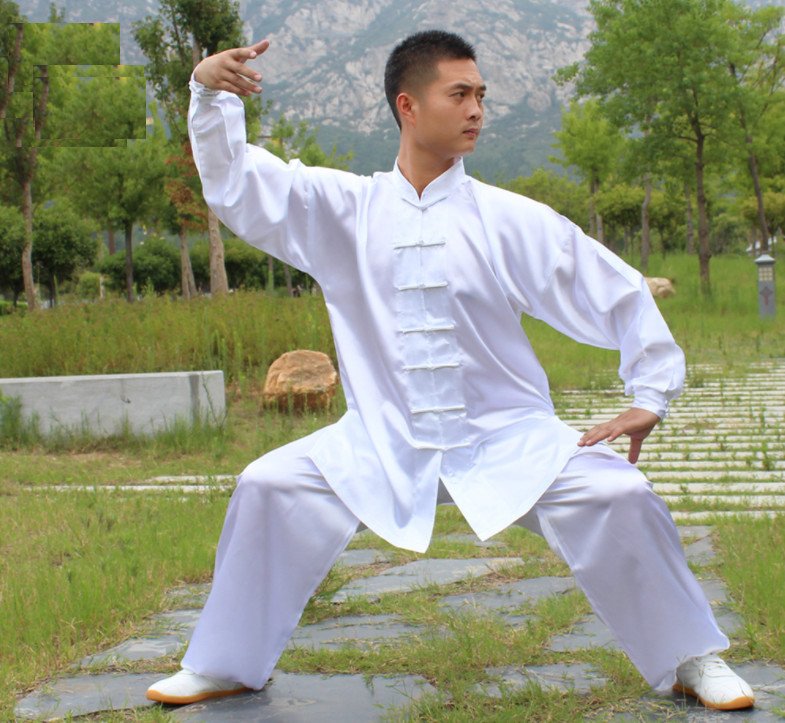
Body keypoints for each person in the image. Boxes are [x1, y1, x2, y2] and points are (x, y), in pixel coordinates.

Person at [147, 30, 755, 711]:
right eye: (459, 94)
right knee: (268, 484)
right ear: (407, 105)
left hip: (509, 437)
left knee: (620, 493)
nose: (476, 111)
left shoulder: (507, 219)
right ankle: (225, 663)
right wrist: (208, 94)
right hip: (379, 440)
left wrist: (650, 391)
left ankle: (690, 658)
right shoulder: (342, 210)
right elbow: (237, 185)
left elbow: (611, 286)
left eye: (481, 96)